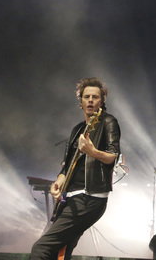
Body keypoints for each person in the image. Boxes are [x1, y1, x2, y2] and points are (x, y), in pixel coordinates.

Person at [30, 77, 121, 260]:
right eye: (86, 97)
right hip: (70, 197)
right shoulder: (77, 129)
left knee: (41, 248)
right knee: (61, 253)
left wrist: (92, 152)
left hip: (89, 198)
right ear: (81, 102)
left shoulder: (108, 122)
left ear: (102, 101)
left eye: (95, 97)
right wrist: (57, 184)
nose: (90, 100)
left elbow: (112, 156)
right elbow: (66, 167)